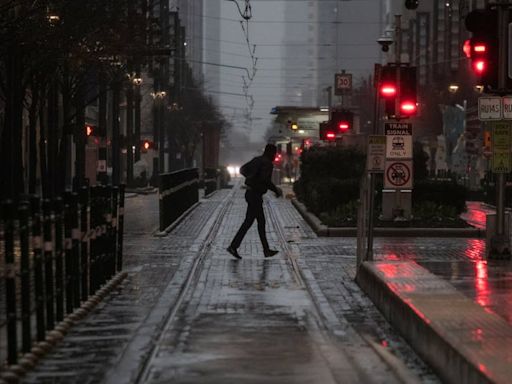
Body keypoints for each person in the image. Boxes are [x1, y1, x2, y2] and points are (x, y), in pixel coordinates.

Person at [227, 144, 283, 259]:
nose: (275, 156)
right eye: (274, 153)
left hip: (250, 194)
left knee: (250, 222)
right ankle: (264, 250)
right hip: (255, 195)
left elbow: (242, 169)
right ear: (270, 153)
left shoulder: (257, 160)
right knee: (259, 222)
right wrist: (275, 190)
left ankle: (235, 246)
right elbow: (265, 180)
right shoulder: (267, 164)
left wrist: (251, 177)